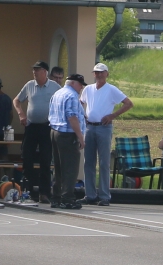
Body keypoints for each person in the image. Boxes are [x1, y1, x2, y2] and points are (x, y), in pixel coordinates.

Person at [81, 63, 132, 206]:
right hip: (90, 127)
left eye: (101, 72)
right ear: (93, 74)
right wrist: (82, 115)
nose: (99, 75)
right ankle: (90, 195)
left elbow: (128, 103)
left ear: (106, 74)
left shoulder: (111, 89)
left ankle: (104, 196)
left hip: (104, 127)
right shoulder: (88, 89)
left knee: (104, 162)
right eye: (96, 72)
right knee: (88, 162)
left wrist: (112, 115)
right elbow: (80, 102)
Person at [15, 61, 60, 202]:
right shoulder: (29, 85)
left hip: (47, 127)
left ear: (45, 72)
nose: (34, 72)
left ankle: (44, 193)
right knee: (27, 158)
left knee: (45, 160)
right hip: (31, 126)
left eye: (37, 70)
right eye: (33, 70)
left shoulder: (54, 87)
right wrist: (21, 114)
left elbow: (62, 101)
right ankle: (29, 191)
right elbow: (16, 100)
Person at [48, 73, 86, 209]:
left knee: (58, 167)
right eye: (80, 84)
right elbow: (72, 117)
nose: (81, 88)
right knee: (70, 168)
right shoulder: (72, 96)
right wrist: (80, 137)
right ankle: (67, 199)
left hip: (55, 131)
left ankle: (56, 197)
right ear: (73, 83)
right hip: (67, 134)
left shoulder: (57, 93)